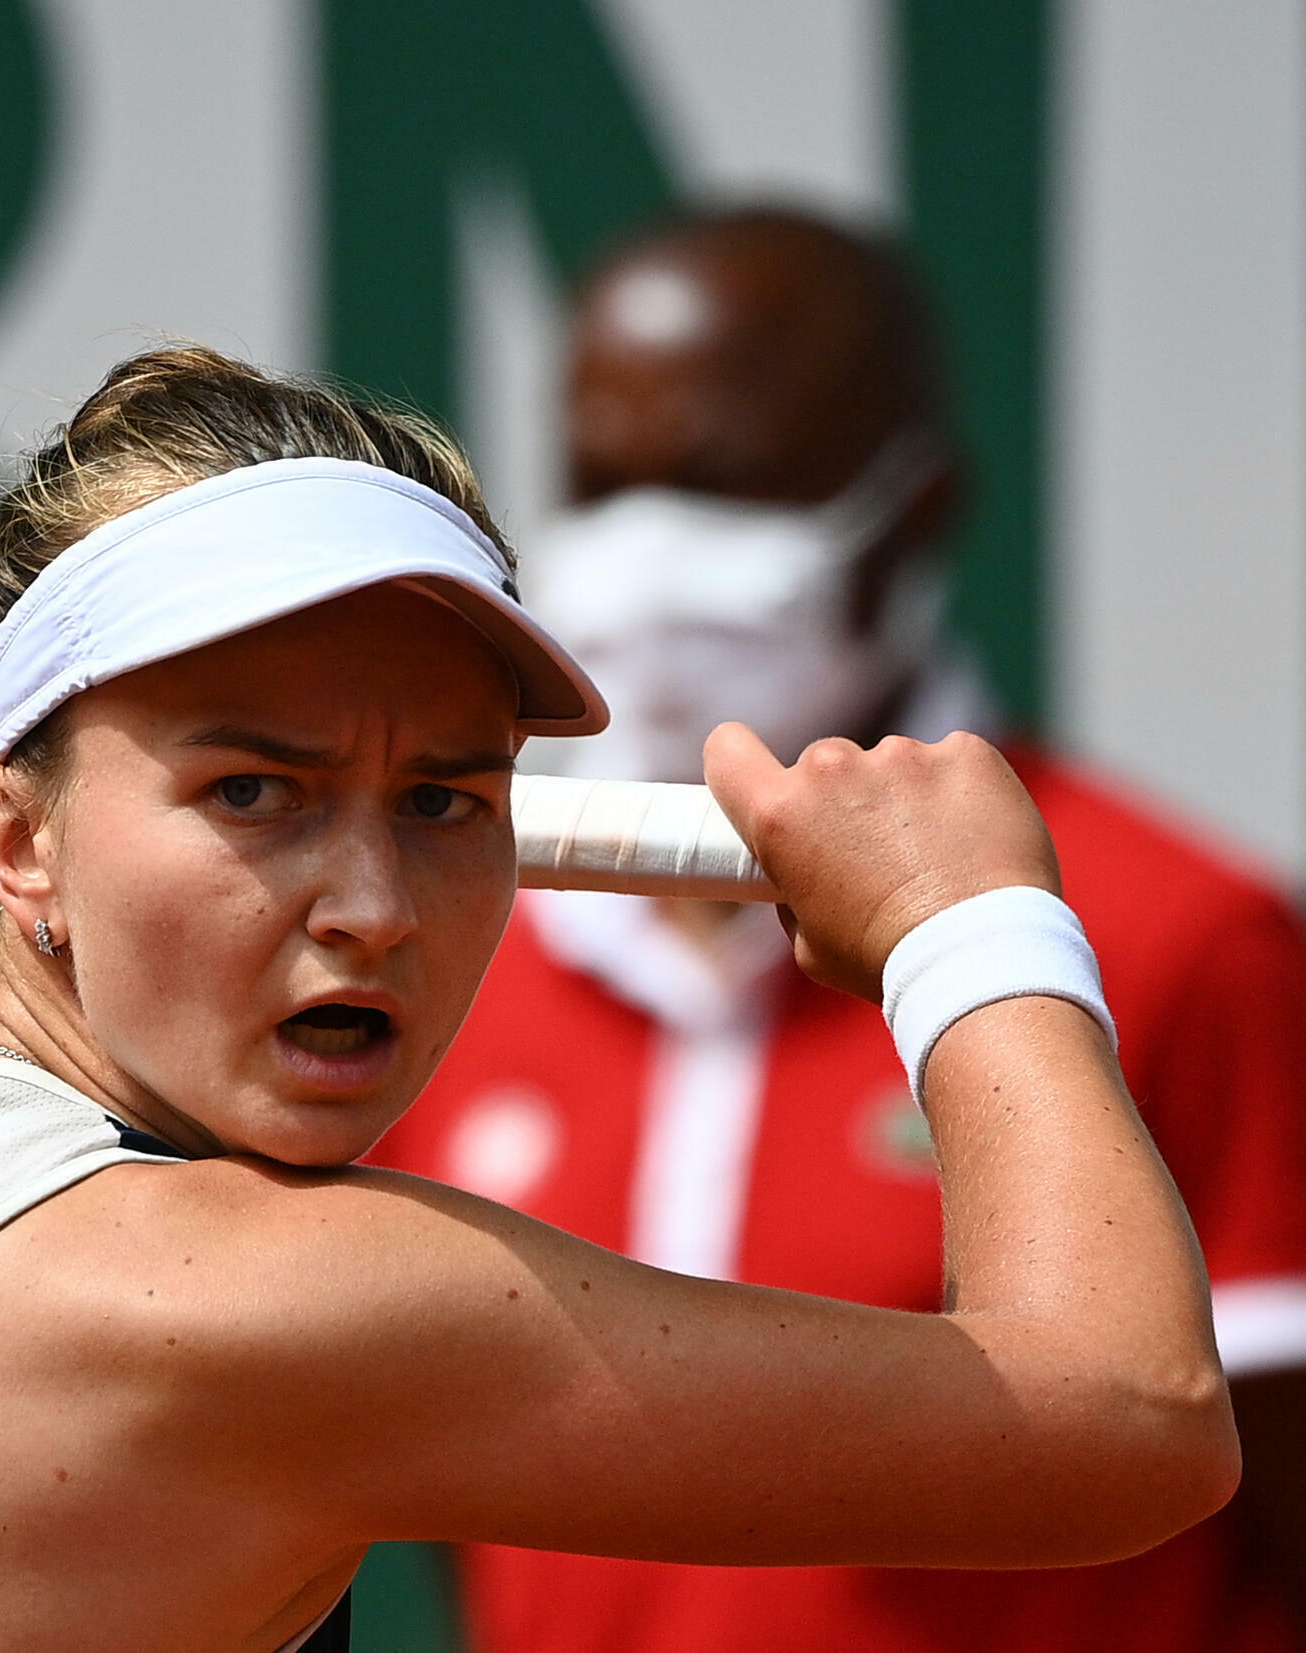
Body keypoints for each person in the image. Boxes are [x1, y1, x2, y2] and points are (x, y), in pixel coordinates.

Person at [0, 347, 1238, 1653]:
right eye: (253, 792)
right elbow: (1132, 1422)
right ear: (21, 840)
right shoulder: (233, 1298)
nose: (371, 905)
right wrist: (979, 930)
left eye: (442, 797)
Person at [371, 210, 1306, 1653]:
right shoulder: (436, 924)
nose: (652, 555)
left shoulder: (1186, 933)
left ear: (918, 510)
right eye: (601, 484)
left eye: (727, 488)